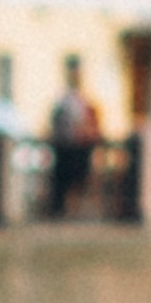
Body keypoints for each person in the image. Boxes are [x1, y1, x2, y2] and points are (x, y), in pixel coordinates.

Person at [48, 57, 103, 216]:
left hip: (79, 147)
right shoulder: (65, 100)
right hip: (66, 146)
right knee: (66, 180)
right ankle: (65, 209)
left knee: (79, 180)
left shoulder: (81, 100)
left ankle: (75, 209)